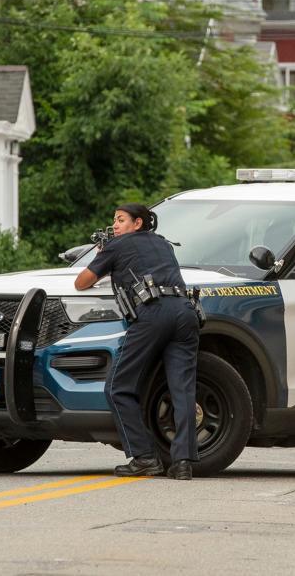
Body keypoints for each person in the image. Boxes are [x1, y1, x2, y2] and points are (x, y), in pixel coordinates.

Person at [74, 203, 200, 480]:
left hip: (153, 314)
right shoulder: (164, 244)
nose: (115, 226)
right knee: (182, 390)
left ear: (138, 223)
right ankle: (183, 463)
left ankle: (144, 457)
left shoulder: (117, 247)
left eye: (120, 220)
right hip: (185, 311)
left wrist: (101, 256)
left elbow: (81, 282)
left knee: (118, 386)